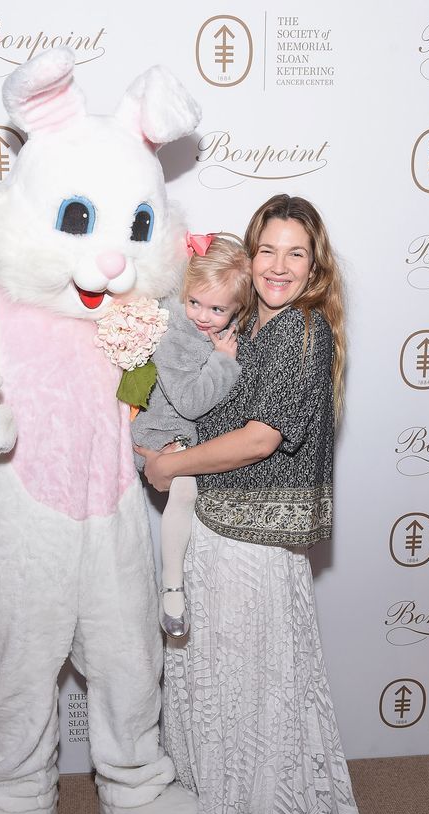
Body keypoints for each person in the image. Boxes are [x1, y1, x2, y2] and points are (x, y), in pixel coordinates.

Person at [135, 194, 391, 814]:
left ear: (315, 266)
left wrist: (168, 466)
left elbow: (261, 437)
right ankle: (226, 801)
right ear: (249, 257)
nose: (279, 266)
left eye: (295, 252)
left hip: (252, 544)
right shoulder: (244, 323)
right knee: (221, 676)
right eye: (267, 250)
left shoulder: (301, 332)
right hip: (219, 528)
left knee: (257, 686)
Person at [131, 233, 251, 637]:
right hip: (161, 430)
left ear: (237, 309)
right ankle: (172, 590)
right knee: (185, 492)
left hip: (181, 430)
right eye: (195, 302)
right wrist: (223, 362)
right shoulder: (177, 332)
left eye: (217, 309)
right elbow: (190, 402)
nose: (202, 315)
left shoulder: (221, 324)